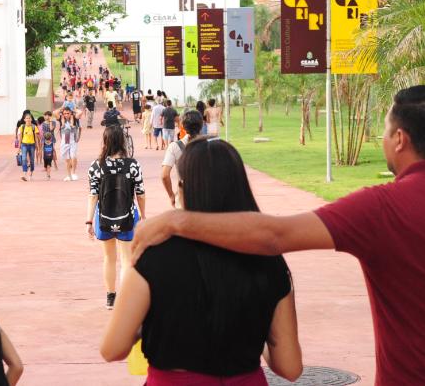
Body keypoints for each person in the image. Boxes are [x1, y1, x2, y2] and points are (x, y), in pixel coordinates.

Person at [133, 85, 425, 383]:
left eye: (384, 131)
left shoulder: (380, 208)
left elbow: (275, 235)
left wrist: (177, 221)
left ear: (399, 139)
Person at [101, 138, 302, 383]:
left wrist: (146, 323)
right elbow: (290, 367)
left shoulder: (153, 256)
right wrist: (257, 332)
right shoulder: (268, 260)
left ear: (184, 187)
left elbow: (112, 349)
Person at [87, 126, 146, 310]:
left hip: (103, 216)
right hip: (128, 215)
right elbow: (140, 193)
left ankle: (111, 297)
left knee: (109, 258)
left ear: (105, 141)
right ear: (122, 141)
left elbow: (93, 195)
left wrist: (89, 221)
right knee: (126, 259)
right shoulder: (133, 164)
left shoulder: (96, 166)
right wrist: (143, 215)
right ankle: (126, 298)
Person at [161, 110, 203, 209]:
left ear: (183, 126)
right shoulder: (210, 144)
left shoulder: (174, 147)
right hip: (206, 198)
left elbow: (164, 175)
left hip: (184, 199)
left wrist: (171, 195)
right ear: (201, 125)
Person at [58, 107, 82, 181]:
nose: (66, 115)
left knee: (73, 156)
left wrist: (73, 109)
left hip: (72, 140)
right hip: (65, 141)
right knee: (67, 160)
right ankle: (69, 175)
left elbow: (80, 112)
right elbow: (54, 112)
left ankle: (73, 173)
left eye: (68, 113)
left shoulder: (74, 118)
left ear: (70, 113)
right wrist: (61, 109)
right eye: (65, 113)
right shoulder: (61, 119)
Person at [17, 113, 39, 182]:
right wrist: (19, 147)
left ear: (31, 119)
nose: (28, 119)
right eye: (27, 118)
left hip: (32, 145)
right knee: (24, 159)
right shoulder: (22, 127)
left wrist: (37, 147)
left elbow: (36, 138)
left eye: (29, 118)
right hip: (24, 145)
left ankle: (30, 174)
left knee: (32, 160)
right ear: (24, 119)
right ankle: (24, 174)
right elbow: (20, 138)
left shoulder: (34, 127)